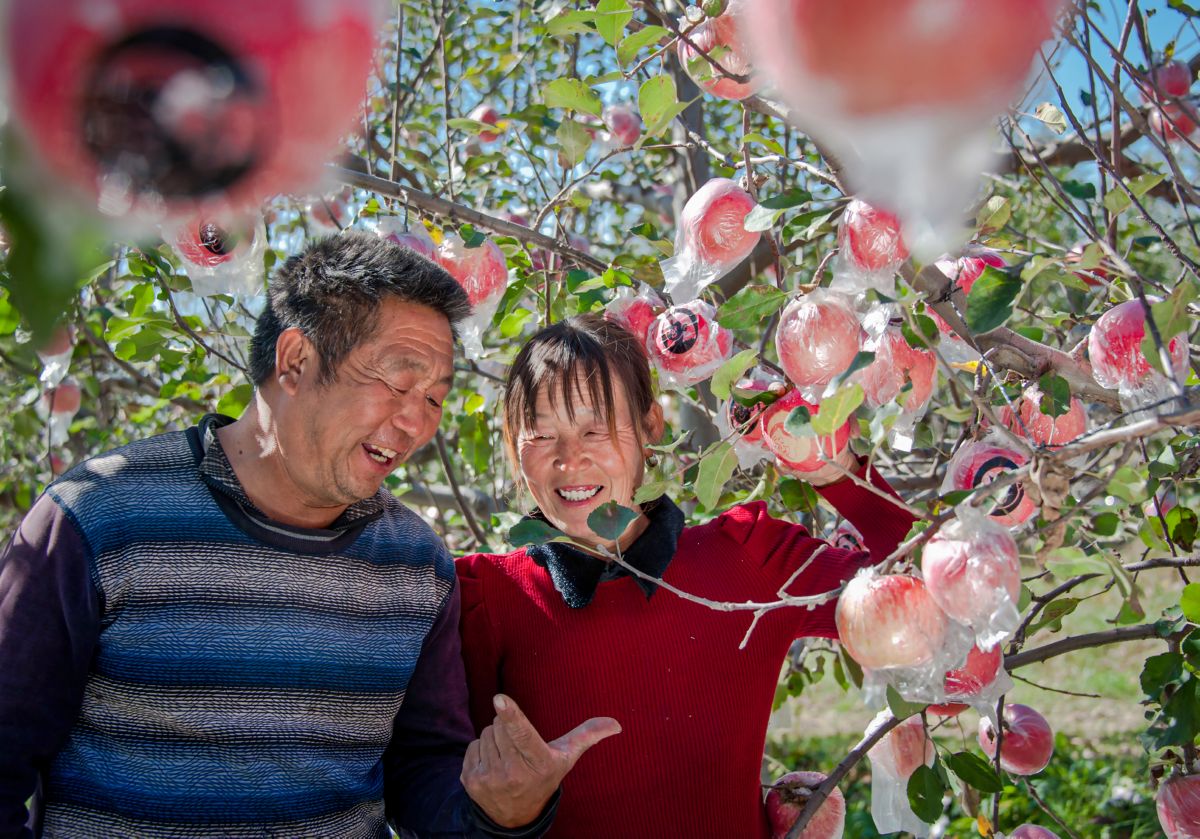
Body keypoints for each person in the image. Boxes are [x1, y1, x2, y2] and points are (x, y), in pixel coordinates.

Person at [0, 232, 618, 839]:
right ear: (296, 361)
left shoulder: (415, 563)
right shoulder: (99, 516)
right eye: (398, 383)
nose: (416, 422)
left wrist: (499, 811)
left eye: (434, 398)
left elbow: (422, 770)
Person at [456, 313, 918, 838]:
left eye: (595, 428)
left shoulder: (748, 559)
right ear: (513, 444)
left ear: (650, 426)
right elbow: (425, 791)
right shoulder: (479, 600)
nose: (570, 458)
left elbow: (929, 597)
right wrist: (507, 818)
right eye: (542, 434)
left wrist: (833, 468)